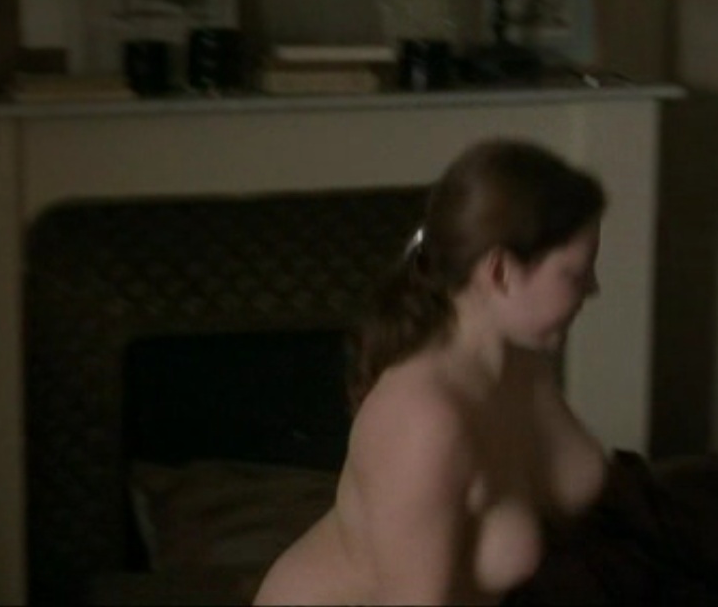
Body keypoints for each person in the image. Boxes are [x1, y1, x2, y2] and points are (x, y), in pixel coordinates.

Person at [253, 138, 610, 606]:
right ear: (500, 272)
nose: (593, 288)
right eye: (575, 273)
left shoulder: (524, 361)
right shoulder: (422, 421)